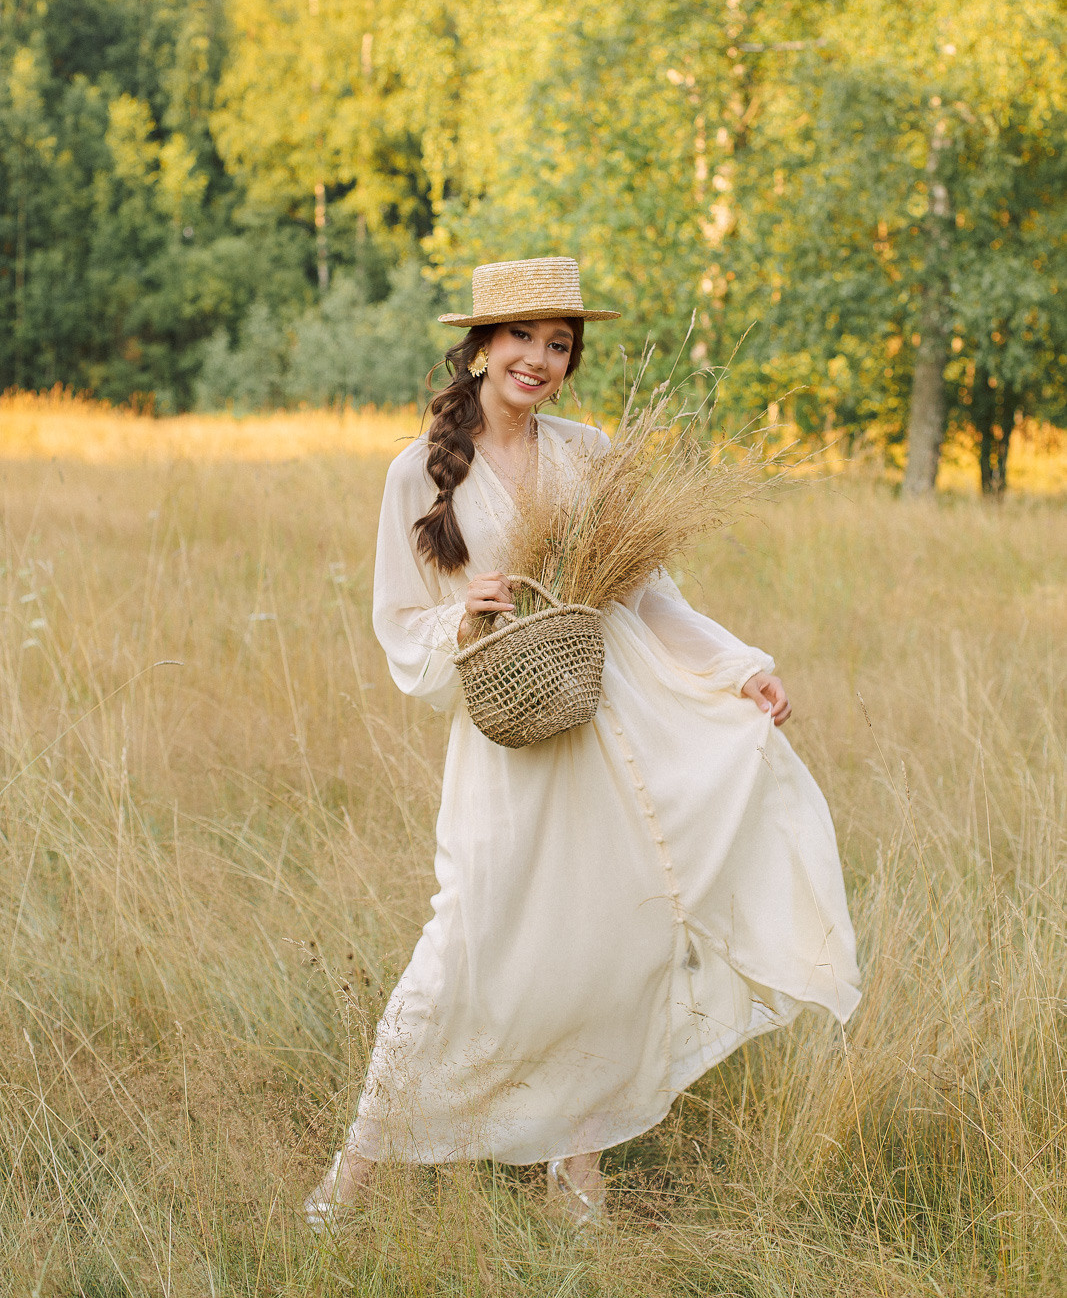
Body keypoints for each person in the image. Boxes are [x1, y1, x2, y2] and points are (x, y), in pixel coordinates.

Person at [305, 256, 861, 1232]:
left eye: (558, 345)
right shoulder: (417, 470)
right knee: (463, 942)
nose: (539, 359)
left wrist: (740, 668)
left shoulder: (587, 452)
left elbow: (650, 593)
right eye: (521, 337)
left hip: (605, 722)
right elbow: (400, 624)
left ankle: (578, 1172)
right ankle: (354, 1169)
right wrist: (462, 615)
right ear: (481, 344)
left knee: (612, 936)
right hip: (506, 740)